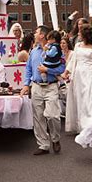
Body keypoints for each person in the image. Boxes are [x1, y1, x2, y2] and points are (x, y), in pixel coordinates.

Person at [20, 25, 65, 155]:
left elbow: (62, 68)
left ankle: (55, 138)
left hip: (51, 86)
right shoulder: (33, 51)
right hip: (36, 86)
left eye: (36, 32)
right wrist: (26, 85)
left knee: (52, 115)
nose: (34, 34)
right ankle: (43, 145)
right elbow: (28, 69)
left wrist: (48, 70)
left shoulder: (56, 50)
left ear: (42, 35)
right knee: (38, 117)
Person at [61, 26, 92, 133]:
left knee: (89, 100)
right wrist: (66, 72)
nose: (78, 34)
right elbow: (73, 61)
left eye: (80, 33)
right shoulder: (77, 45)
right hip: (78, 75)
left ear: (85, 35)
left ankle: (89, 125)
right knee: (79, 99)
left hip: (91, 75)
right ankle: (80, 125)